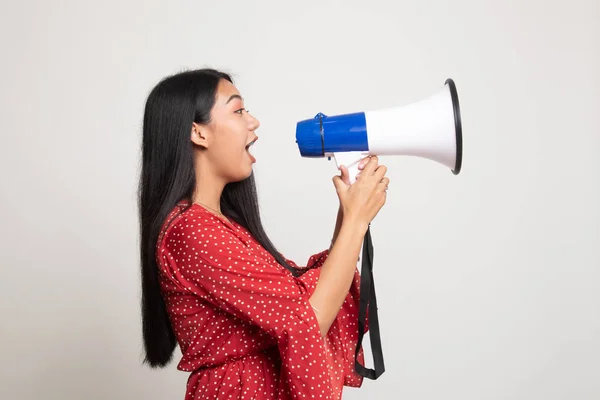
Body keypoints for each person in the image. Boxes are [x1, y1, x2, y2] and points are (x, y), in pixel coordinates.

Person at [138, 68, 390, 400]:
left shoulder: (221, 227)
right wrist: (356, 221)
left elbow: (297, 304)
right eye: (238, 110)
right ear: (198, 132)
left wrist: (349, 215)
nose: (253, 121)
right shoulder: (191, 230)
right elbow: (306, 320)